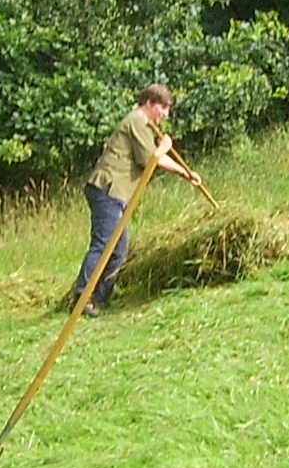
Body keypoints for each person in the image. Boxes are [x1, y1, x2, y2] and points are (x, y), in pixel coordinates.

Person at [73, 85, 204, 312]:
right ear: (150, 103)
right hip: (108, 189)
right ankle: (81, 297)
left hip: (118, 194)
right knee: (104, 244)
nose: (165, 114)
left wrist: (186, 173)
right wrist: (165, 150)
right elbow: (150, 159)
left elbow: (154, 157)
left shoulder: (145, 125)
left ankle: (99, 299)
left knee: (120, 250)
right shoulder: (137, 121)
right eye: (163, 108)